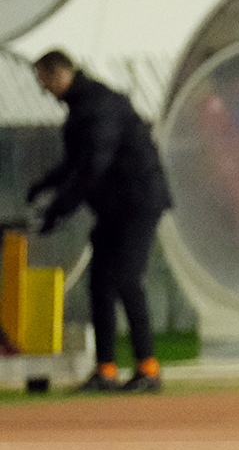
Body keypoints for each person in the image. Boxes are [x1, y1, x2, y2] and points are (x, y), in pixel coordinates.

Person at [27, 49, 172, 392]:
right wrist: (45, 186)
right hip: (113, 207)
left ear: (59, 74)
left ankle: (148, 369)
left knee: (125, 277)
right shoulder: (85, 107)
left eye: (44, 80)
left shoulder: (98, 106)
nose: (43, 89)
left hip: (137, 203)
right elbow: (79, 163)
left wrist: (58, 208)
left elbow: (93, 165)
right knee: (100, 284)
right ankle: (105, 369)